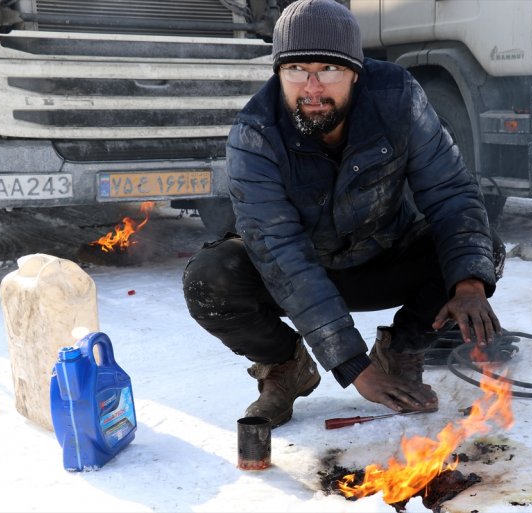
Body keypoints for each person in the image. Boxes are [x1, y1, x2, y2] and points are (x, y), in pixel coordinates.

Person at [182, 0, 505, 429]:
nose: (312, 88)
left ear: (356, 71)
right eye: (296, 70)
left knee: (480, 253)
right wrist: (352, 366)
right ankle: (285, 366)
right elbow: (281, 254)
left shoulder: (397, 99)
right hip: (297, 273)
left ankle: (402, 351)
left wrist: (467, 284)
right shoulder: (254, 133)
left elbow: (450, 193)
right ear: (278, 72)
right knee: (210, 279)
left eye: (329, 70)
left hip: (384, 258)